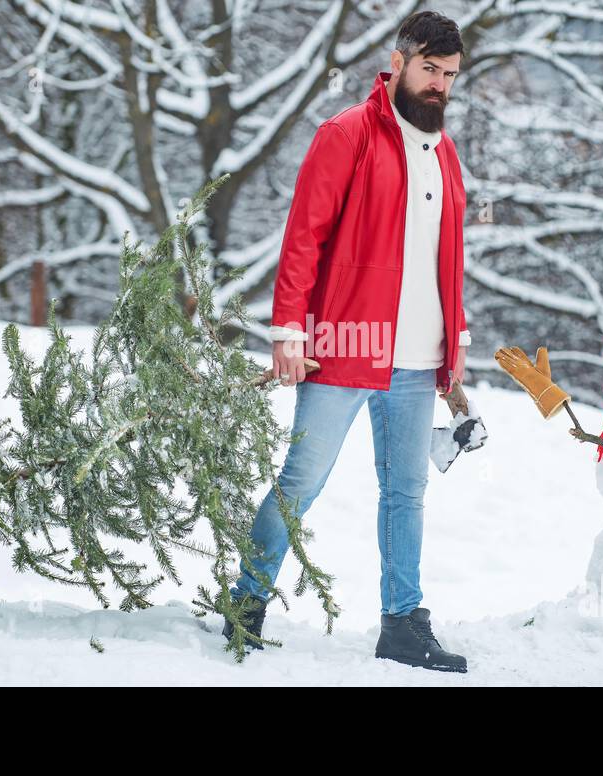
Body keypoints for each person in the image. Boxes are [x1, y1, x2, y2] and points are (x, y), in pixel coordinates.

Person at [222, 11, 472, 673]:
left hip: (418, 359)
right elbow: (304, 236)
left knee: (405, 493)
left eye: (449, 75)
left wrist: (458, 342)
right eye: (430, 69)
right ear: (398, 61)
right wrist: (287, 330)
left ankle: (402, 622)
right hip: (345, 344)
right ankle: (246, 602)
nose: (439, 84)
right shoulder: (347, 135)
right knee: (300, 483)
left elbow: (449, 254)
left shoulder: (443, 153)